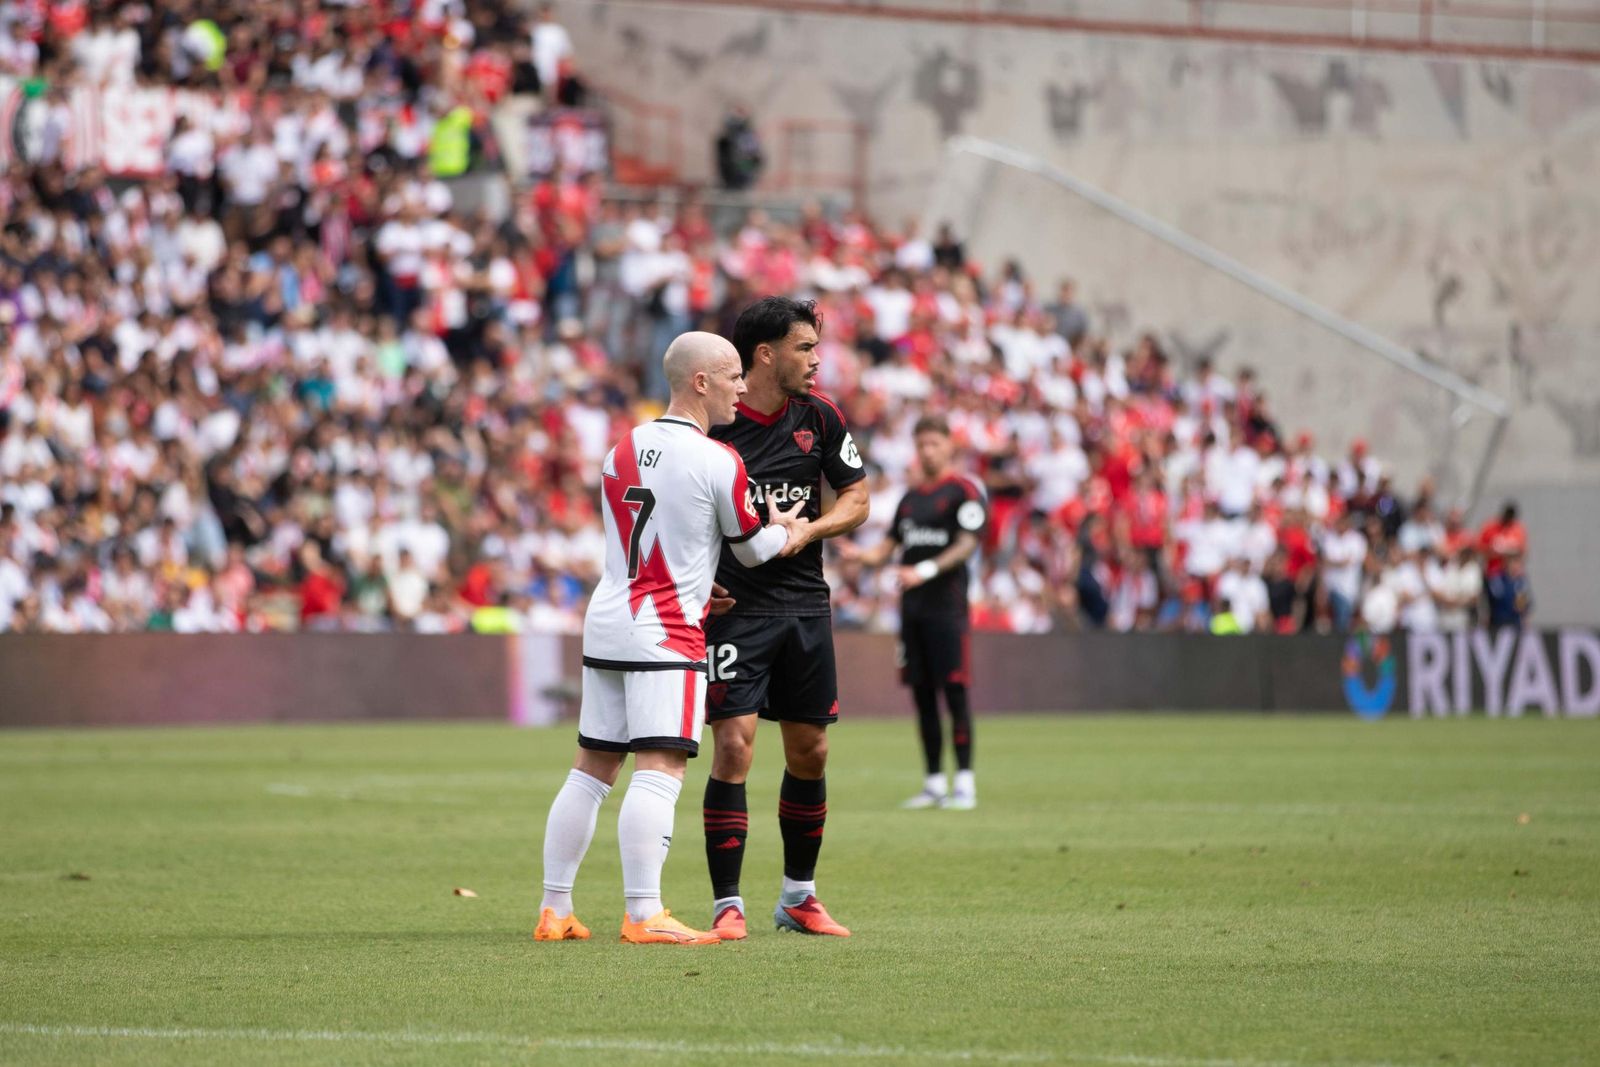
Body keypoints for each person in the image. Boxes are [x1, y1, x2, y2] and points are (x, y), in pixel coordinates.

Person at [535, 332, 809, 946]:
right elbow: (755, 548)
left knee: (591, 769)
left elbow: (650, 534)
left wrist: (696, 577)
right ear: (701, 382)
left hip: (610, 618)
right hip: (665, 632)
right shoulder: (718, 458)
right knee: (660, 769)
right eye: (734, 374)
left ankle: (555, 910)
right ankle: (643, 913)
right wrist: (790, 529)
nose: (744, 386)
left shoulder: (622, 446)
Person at [701, 296, 869, 941]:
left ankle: (799, 897)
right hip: (736, 610)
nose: (817, 360)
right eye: (805, 348)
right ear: (765, 354)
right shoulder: (714, 424)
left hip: (804, 605)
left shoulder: (820, 417)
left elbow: (857, 498)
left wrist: (810, 533)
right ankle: (727, 905)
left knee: (811, 749)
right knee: (734, 744)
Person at [840, 415, 986, 809]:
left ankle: (966, 783)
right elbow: (887, 549)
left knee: (955, 693)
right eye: (921, 444)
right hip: (913, 612)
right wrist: (860, 555)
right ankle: (935, 782)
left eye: (933, 444)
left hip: (948, 610)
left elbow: (966, 544)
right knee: (922, 696)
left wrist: (924, 570)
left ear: (949, 446)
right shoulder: (910, 500)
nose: (926, 451)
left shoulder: (963, 492)